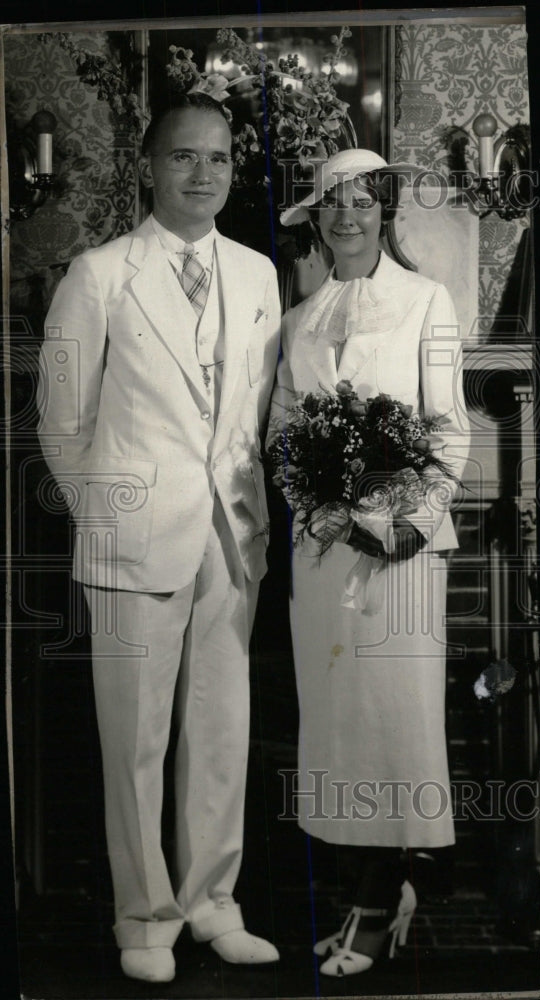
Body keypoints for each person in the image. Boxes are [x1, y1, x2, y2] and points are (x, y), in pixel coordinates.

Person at [37, 93, 281, 984]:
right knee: (134, 738)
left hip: (232, 532)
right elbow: (60, 423)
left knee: (223, 727)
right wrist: (106, 515)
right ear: (150, 166)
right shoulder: (98, 274)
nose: (204, 173)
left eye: (217, 158)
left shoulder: (257, 273)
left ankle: (214, 902)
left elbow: (251, 411)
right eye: (184, 157)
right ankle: (143, 915)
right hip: (133, 533)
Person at [271, 148, 470, 976]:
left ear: (382, 211)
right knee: (338, 727)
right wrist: (316, 507)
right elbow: (281, 434)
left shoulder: (426, 301)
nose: (345, 216)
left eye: (361, 202)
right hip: (322, 555)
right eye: (331, 204)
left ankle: (382, 903)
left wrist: (407, 524)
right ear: (315, 219)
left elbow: (448, 426)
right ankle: (368, 891)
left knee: (395, 724)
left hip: (400, 554)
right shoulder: (298, 320)